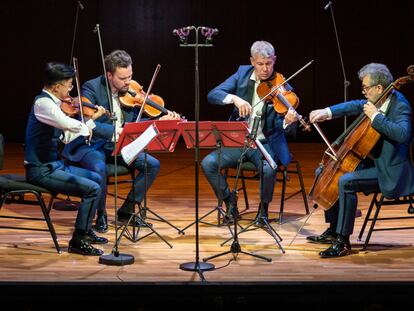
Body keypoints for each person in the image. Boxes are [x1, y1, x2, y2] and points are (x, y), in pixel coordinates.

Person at [62, 50, 180, 233]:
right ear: (110, 75)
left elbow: (132, 126)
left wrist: (159, 122)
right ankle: (100, 214)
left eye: (130, 76)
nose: (128, 82)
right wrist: (119, 132)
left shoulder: (131, 91)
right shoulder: (91, 88)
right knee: (99, 168)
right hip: (93, 144)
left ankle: (127, 210)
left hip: (118, 145)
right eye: (123, 78)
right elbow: (91, 124)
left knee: (152, 165)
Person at [307, 63, 414, 258]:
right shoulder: (379, 99)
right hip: (375, 162)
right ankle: (333, 229)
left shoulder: (400, 106)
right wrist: (327, 112)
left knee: (345, 181)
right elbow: (355, 105)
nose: (363, 92)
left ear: (379, 88)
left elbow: (403, 134)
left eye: (365, 88)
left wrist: (376, 118)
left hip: (390, 172)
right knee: (324, 171)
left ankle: (343, 241)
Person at [201, 41, 297, 224]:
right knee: (208, 163)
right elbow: (213, 94)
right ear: (252, 61)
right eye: (260, 64)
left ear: (274, 60)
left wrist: (287, 121)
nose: (265, 69)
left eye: (269, 64)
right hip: (239, 141)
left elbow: (289, 130)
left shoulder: (282, 85)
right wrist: (235, 99)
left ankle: (263, 210)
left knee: (269, 169)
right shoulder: (242, 74)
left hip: (265, 143)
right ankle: (230, 201)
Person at [24, 62, 108, 256]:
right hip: (40, 170)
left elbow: (66, 135)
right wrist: (87, 125)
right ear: (56, 86)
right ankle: (77, 241)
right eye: (69, 85)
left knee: (96, 178)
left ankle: (86, 230)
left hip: (54, 166)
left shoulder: (53, 105)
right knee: (92, 189)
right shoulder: (43, 104)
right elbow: (67, 123)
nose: (71, 89)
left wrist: (91, 120)